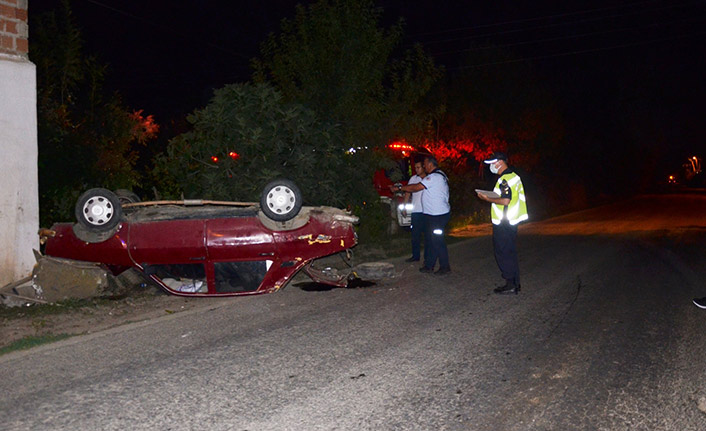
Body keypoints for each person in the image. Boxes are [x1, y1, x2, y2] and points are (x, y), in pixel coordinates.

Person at [476, 152, 528, 294]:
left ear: (499, 162)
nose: (491, 166)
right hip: (511, 220)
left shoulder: (505, 179)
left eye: (493, 163)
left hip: (504, 221)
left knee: (503, 252)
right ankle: (515, 283)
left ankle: (510, 284)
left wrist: (487, 199)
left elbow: (505, 200)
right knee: (510, 252)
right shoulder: (514, 177)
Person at [393, 155, 451, 275]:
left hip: (437, 215)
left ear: (430, 164)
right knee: (432, 240)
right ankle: (429, 265)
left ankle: (444, 267)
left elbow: (416, 187)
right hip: (434, 215)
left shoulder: (434, 177)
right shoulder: (439, 175)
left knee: (437, 241)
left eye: (425, 164)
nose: (424, 166)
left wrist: (400, 187)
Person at [402, 159, 427, 263]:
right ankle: (415, 256)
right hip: (416, 210)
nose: (416, 170)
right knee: (415, 236)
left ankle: (428, 257)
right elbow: (408, 191)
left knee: (427, 236)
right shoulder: (413, 178)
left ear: (424, 167)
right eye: (415, 168)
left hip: (427, 211)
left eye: (418, 167)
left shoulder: (429, 179)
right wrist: (404, 205)